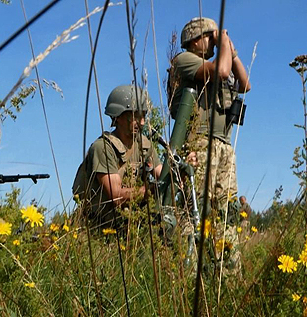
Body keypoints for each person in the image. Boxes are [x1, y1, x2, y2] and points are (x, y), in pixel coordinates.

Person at [168, 17, 251, 277]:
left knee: (226, 211)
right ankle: (190, 275)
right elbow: (222, 72)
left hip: (223, 146)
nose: (214, 42)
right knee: (197, 209)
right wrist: (223, 42)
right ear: (195, 40)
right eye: (209, 37)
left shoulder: (220, 59)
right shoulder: (185, 60)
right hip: (199, 144)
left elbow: (245, 84)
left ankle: (226, 274)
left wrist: (231, 49)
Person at [73, 85, 162, 230]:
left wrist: (177, 175)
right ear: (118, 116)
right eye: (135, 116)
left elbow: (161, 173)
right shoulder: (103, 147)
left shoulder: (144, 145)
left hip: (131, 225)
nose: (142, 122)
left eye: (144, 116)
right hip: (98, 228)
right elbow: (116, 196)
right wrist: (148, 190)